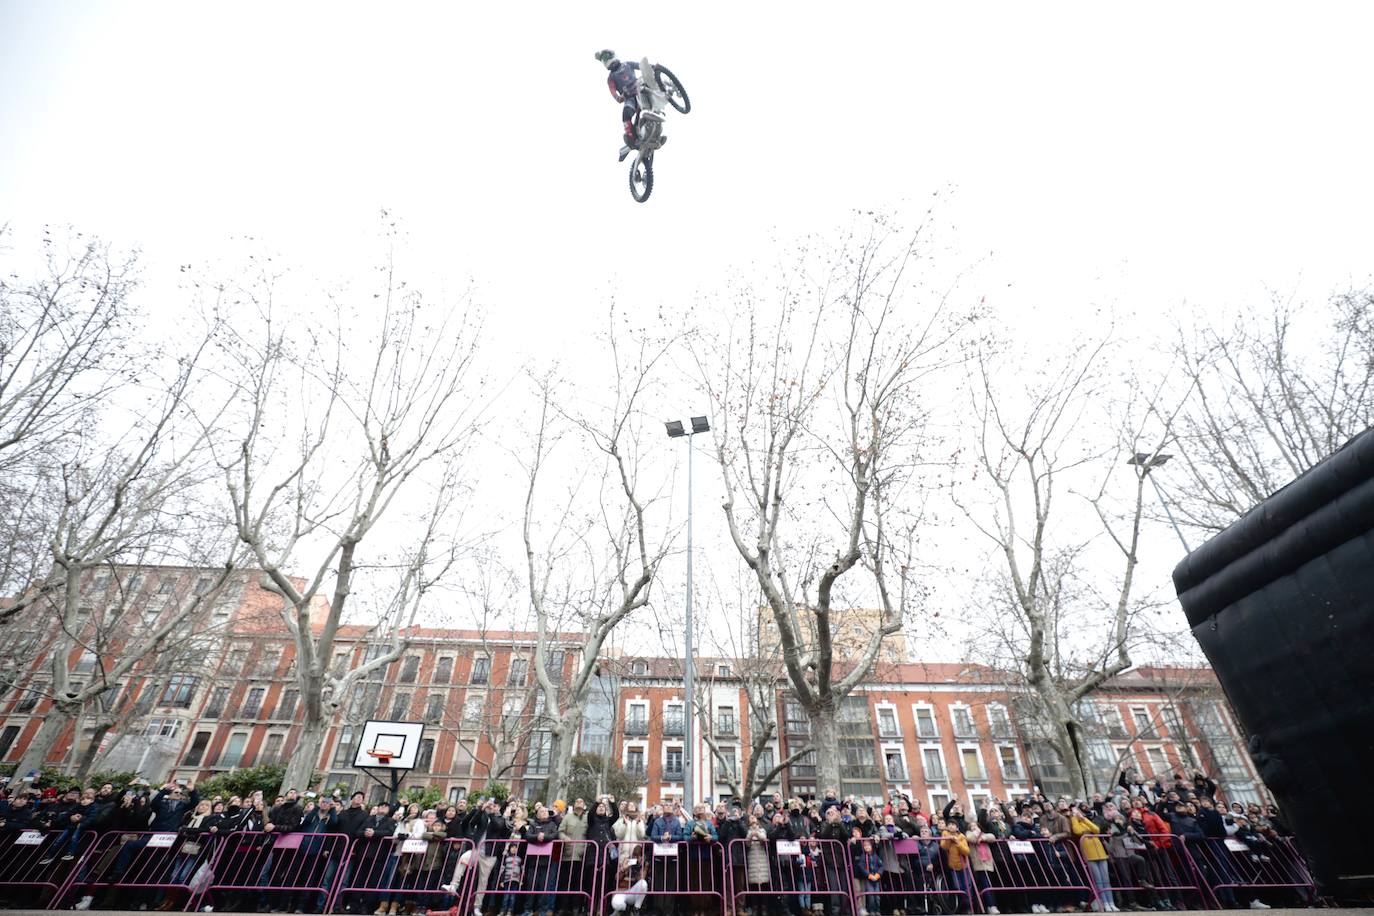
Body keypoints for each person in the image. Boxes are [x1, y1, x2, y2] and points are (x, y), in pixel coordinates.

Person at [593, 49, 667, 162]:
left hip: (642, 90)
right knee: (626, 114)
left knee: (658, 104)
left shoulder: (627, 64)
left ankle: (657, 134)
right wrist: (619, 97)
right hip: (630, 97)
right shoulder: (611, 77)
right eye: (604, 59)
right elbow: (613, 92)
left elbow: (640, 66)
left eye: (607, 57)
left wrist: (653, 67)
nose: (607, 61)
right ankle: (632, 138)